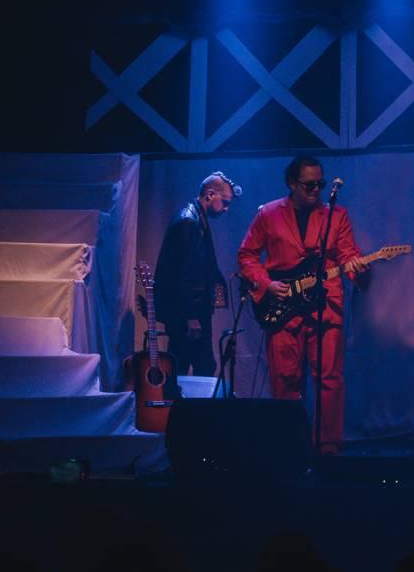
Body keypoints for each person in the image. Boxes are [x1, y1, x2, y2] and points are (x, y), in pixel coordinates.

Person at [238, 156, 366, 454]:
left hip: (326, 306)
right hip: (284, 307)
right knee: (284, 380)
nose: (316, 190)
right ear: (292, 183)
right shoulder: (269, 214)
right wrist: (267, 284)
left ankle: (328, 447)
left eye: (320, 184)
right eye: (309, 185)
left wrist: (358, 269)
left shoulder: (336, 216)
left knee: (329, 379)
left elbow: (347, 254)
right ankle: (288, 446)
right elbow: (247, 255)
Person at [153, 172, 240, 376]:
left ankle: (183, 398)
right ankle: (179, 398)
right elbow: (181, 274)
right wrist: (191, 317)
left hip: (194, 311)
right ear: (210, 195)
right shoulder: (188, 221)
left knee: (197, 365)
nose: (226, 209)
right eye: (225, 202)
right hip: (188, 314)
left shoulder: (195, 219)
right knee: (192, 366)